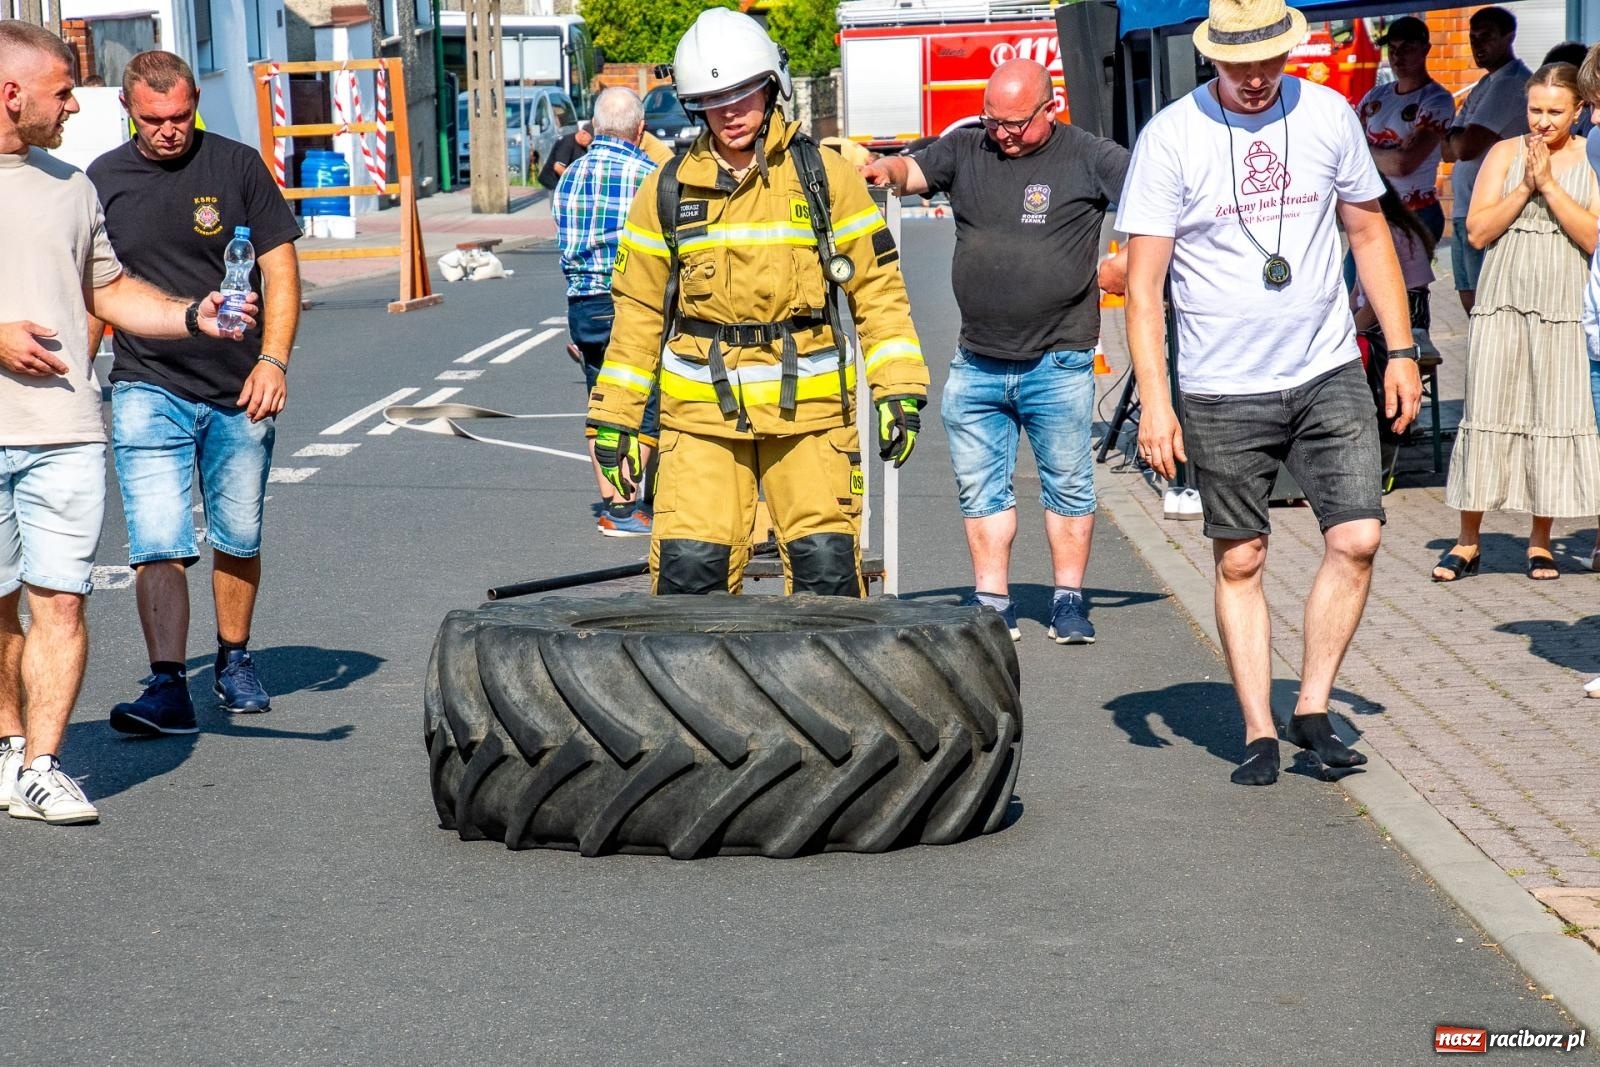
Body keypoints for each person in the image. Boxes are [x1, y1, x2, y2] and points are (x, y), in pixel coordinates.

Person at [1118, 0, 1421, 786]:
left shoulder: (1326, 114)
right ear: (1212, 58)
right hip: (1221, 386)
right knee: (1242, 556)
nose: (1255, 79)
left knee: (1358, 536)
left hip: (1327, 368)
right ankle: (1258, 727)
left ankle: (1311, 706)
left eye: (1268, 63)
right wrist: (1156, 400)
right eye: (1238, 66)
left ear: (1289, 52)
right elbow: (1143, 290)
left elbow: (1368, 234)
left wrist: (1400, 351)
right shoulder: (1171, 137)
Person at [0, 21, 254, 824]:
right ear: (11, 94)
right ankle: (8, 745)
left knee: (61, 602)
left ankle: (43, 765)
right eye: (63, 91)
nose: (76, 105)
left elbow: (109, 291)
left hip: (65, 431)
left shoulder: (72, 188)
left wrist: (192, 314)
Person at [587, 8, 928, 596]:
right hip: (701, 422)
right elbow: (637, 313)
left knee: (826, 576)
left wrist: (897, 388)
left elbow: (877, 289)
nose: (730, 112)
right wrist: (616, 418)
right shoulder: (666, 189)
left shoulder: (825, 178)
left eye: (743, 92)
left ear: (772, 86)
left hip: (811, 417)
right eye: (713, 99)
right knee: (690, 576)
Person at [861, 58, 1129, 644]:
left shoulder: (1089, 155)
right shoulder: (967, 147)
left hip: (1058, 359)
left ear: (1050, 109)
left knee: (1068, 485)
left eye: (1014, 123)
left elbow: (1159, 199)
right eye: (992, 120)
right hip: (977, 360)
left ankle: (1068, 601)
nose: (1001, 133)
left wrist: (1128, 264)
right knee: (981, 488)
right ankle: (992, 603)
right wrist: (885, 169)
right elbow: (912, 170)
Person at [86, 49, 300, 736]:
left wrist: (273, 361)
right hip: (147, 382)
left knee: (238, 533)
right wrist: (78, 380)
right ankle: (167, 684)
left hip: (238, 386)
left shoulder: (237, 166)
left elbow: (281, 271)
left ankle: (234, 658)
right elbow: (96, 289)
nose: (169, 130)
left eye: (180, 115)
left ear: (195, 102)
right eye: (154, 119)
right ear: (128, 110)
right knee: (158, 539)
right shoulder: (102, 181)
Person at [1434, 63, 1600, 583]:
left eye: (1555, 111)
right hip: (1504, 299)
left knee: (1551, 412)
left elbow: (1593, 237)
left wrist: (1549, 185)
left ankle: (1540, 541)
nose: (1543, 121)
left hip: (1563, 304)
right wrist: (1525, 185)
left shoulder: (1591, 157)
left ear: (1579, 110)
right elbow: (1477, 231)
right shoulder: (1505, 153)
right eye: (1535, 110)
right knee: (1488, 408)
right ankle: (1467, 540)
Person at [553, 86, 660, 536]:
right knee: (644, 403)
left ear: (595, 127)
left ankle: (613, 505)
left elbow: (565, 243)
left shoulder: (570, 177)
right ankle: (626, 507)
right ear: (640, 129)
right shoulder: (649, 176)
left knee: (601, 399)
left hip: (583, 306)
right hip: (630, 302)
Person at [1446, 6, 1531, 314]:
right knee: (1470, 301)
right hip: (1465, 208)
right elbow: (1447, 149)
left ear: (1509, 37)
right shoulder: (1485, 83)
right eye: (1473, 38)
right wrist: (1457, 136)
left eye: (1487, 37)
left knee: (1488, 305)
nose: (1478, 45)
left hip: (1491, 211)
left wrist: (1457, 134)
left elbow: (1465, 147)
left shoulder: (1511, 82)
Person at [1358, 17, 1454, 242]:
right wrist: (1389, 152)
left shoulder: (1436, 99)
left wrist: (1363, 150)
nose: (1397, 56)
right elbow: (1346, 145)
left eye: (1407, 49)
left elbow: (1403, 164)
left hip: (1414, 211)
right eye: (1392, 49)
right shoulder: (1375, 95)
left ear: (1425, 50)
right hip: (1375, 208)